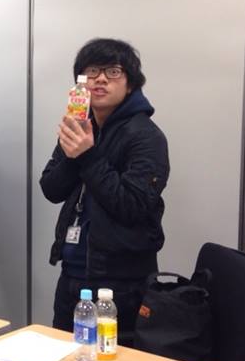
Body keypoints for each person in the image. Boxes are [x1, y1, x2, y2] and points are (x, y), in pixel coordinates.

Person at [40, 38, 169, 344]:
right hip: (72, 274)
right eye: (92, 71)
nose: (100, 79)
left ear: (130, 83)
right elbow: (51, 189)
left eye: (112, 72)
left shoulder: (146, 136)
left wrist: (87, 155)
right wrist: (74, 154)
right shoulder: (80, 125)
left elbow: (132, 205)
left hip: (120, 283)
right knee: (64, 359)